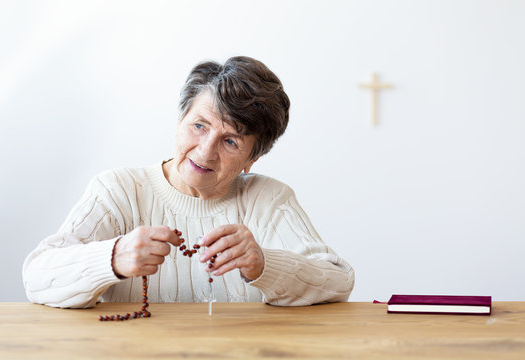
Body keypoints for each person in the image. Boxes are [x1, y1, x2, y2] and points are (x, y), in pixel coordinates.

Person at [22, 56, 354, 308]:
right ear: (180, 120)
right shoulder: (118, 190)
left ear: (253, 159)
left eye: (231, 142)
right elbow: (37, 276)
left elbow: (338, 282)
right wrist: (112, 257)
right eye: (199, 126)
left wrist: (264, 264)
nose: (205, 152)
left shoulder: (268, 199)